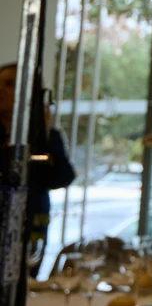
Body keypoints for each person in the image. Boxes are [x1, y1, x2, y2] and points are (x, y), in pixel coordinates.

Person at [0, 64, 75, 277]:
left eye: (9, 84)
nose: (0, 90)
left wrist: (45, 135)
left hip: (32, 225)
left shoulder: (47, 137)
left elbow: (62, 177)